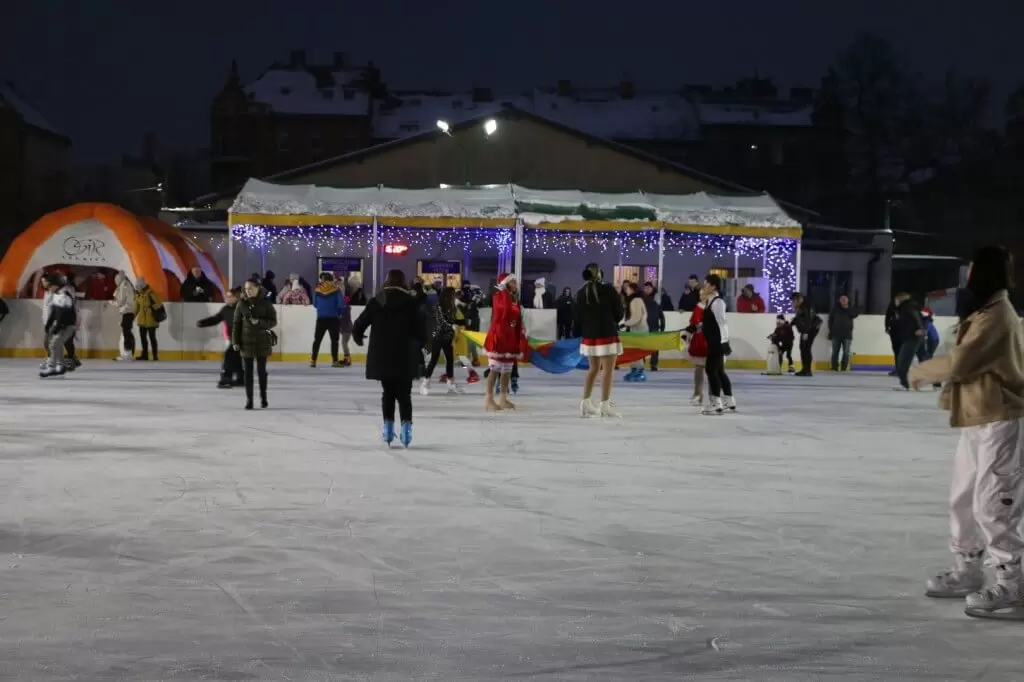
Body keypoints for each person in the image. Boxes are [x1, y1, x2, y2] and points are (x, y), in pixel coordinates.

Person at [909, 245, 1024, 619]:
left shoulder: (998, 316)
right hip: (976, 417)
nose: (968, 277)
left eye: (973, 270)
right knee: (962, 499)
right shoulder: (983, 311)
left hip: (1001, 420)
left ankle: (1012, 584)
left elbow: (962, 363)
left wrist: (922, 370)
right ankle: (969, 569)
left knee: (993, 503)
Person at [352, 269, 424, 448]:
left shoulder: (377, 301)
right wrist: (419, 344)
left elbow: (359, 324)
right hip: (405, 355)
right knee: (404, 395)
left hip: (382, 355)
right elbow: (421, 330)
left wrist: (359, 337)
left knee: (388, 393)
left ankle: (388, 427)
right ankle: (406, 430)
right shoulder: (411, 302)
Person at [575, 263, 624, 417]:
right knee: (608, 371)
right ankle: (604, 404)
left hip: (589, 335)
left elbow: (576, 316)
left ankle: (586, 402)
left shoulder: (580, 292)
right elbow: (619, 313)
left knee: (593, 369)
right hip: (607, 334)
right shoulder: (608, 289)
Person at [233, 278, 278, 410]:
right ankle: (249, 400)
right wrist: (235, 341)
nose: (248, 291)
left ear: (258, 288)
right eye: (246, 289)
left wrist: (259, 323)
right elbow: (236, 324)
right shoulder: (241, 304)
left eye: (251, 289)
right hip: (245, 342)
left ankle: (263, 398)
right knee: (248, 372)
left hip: (262, 341)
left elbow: (273, 321)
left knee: (261, 371)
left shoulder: (266, 303)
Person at [483, 272, 526, 411]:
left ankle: (503, 399)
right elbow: (505, 313)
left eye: (515, 282)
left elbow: (516, 318)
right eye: (513, 282)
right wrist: (505, 294)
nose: (516, 284)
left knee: (507, 370)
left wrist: (520, 333)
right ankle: (489, 400)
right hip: (499, 337)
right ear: (505, 283)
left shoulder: (514, 299)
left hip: (510, 338)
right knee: (494, 370)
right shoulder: (499, 297)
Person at [701, 274, 736, 415]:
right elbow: (711, 323)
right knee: (719, 372)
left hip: (717, 342)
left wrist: (724, 342)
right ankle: (729, 400)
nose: (704, 287)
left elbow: (722, 323)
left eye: (707, 284)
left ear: (713, 286)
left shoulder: (718, 302)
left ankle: (716, 402)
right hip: (714, 341)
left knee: (711, 370)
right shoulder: (710, 302)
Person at [197, 286, 244, 388]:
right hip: (234, 339)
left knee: (229, 356)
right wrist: (203, 323)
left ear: (236, 297)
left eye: (230, 297)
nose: (228, 299)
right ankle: (241, 378)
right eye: (227, 297)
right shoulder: (226, 309)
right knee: (236, 359)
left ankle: (226, 378)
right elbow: (216, 319)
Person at [421, 286, 461, 395]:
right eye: (453, 294)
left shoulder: (453, 307)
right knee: (434, 359)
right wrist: (452, 325)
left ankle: (450, 382)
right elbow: (441, 321)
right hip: (438, 336)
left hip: (448, 337)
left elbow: (455, 320)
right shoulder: (438, 306)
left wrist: (460, 323)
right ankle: (425, 382)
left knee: (450, 360)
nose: (454, 296)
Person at [39, 274, 77, 378]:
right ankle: (60, 366)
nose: (49, 288)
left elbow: (65, 314)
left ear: (56, 285)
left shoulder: (64, 295)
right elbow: (54, 312)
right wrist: (49, 324)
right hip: (61, 324)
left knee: (54, 344)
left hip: (67, 325)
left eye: (51, 285)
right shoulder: (56, 294)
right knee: (56, 344)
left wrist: (59, 326)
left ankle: (52, 366)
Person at [311, 272, 345, 368]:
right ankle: (334, 361)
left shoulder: (317, 290)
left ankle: (313, 360)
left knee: (317, 340)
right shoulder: (336, 290)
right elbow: (341, 305)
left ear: (323, 280)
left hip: (321, 318)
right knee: (334, 341)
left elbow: (314, 304)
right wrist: (338, 314)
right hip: (333, 319)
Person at [893, 292, 926, 390]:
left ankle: (907, 384)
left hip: (912, 337)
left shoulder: (906, 307)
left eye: (896, 300)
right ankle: (936, 382)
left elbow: (915, 317)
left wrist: (919, 328)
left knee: (902, 363)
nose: (895, 302)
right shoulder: (910, 306)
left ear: (900, 300)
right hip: (915, 336)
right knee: (924, 360)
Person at [682, 288, 709, 406]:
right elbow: (693, 324)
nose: (702, 296)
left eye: (704, 294)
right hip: (699, 341)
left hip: (709, 340)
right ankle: (697, 392)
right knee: (698, 368)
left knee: (710, 370)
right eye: (700, 294)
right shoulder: (698, 307)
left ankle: (713, 395)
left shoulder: (714, 307)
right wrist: (687, 334)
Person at [620, 281, 648, 382]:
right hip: (636, 329)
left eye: (627, 288)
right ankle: (634, 369)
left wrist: (625, 324)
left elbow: (636, 317)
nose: (625, 289)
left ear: (632, 289)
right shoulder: (634, 300)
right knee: (633, 350)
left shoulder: (635, 300)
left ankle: (639, 371)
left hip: (638, 330)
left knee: (636, 351)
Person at [791, 292, 821, 376]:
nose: (792, 303)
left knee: (805, 349)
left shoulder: (805, 306)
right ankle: (806, 369)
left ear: (798, 299)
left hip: (809, 330)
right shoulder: (803, 306)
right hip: (809, 330)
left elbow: (808, 321)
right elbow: (801, 319)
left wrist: (805, 333)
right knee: (804, 348)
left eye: (793, 301)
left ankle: (807, 370)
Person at [133, 278, 163, 361]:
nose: (137, 288)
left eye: (138, 286)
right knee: (143, 339)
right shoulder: (138, 295)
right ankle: (145, 355)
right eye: (136, 286)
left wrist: (151, 308)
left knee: (152, 338)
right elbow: (136, 308)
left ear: (142, 285)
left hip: (151, 320)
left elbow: (159, 303)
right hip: (142, 321)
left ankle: (155, 356)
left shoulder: (151, 293)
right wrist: (132, 317)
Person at [827, 293, 858, 371]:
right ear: (839, 300)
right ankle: (834, 367)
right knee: (835, 352)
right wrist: (831, 331)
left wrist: (847, 308)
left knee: (846, 352)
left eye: (845, 299)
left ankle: (843, 367)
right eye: (842, 299)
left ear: (848, 300)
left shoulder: (850, 309)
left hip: (847, 334)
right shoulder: (835, 309)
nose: (843, 300)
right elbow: (830, 321)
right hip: (836, 334)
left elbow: (854, 314)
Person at [112, 271, 136, 361]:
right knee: (127, 332)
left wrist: (113, 303)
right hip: (128, 311)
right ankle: (127, 352)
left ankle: (127, 352)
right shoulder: (126, 285)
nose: (116, 282)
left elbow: (121, 301)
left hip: (127, 311)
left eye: (116, 280)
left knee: (126, 332)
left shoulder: (124, 286)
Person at [642, 281, 666, 371]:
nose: (647, 289)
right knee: (641, 347)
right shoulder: (641, 300)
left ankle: (654, 364)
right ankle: (641, 363)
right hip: (643, 327)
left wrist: (663, 327)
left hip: (654, 327)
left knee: (654, 347)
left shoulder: (656, 300)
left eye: (649, 287)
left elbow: (661, 315)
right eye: (646, 288)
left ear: (652, 288)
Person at [884, 296, 901, 376]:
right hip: (894, 331)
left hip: (905, 332)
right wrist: (887, 327)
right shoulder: (892, 306)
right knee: (897, 351)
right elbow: (887, 316)